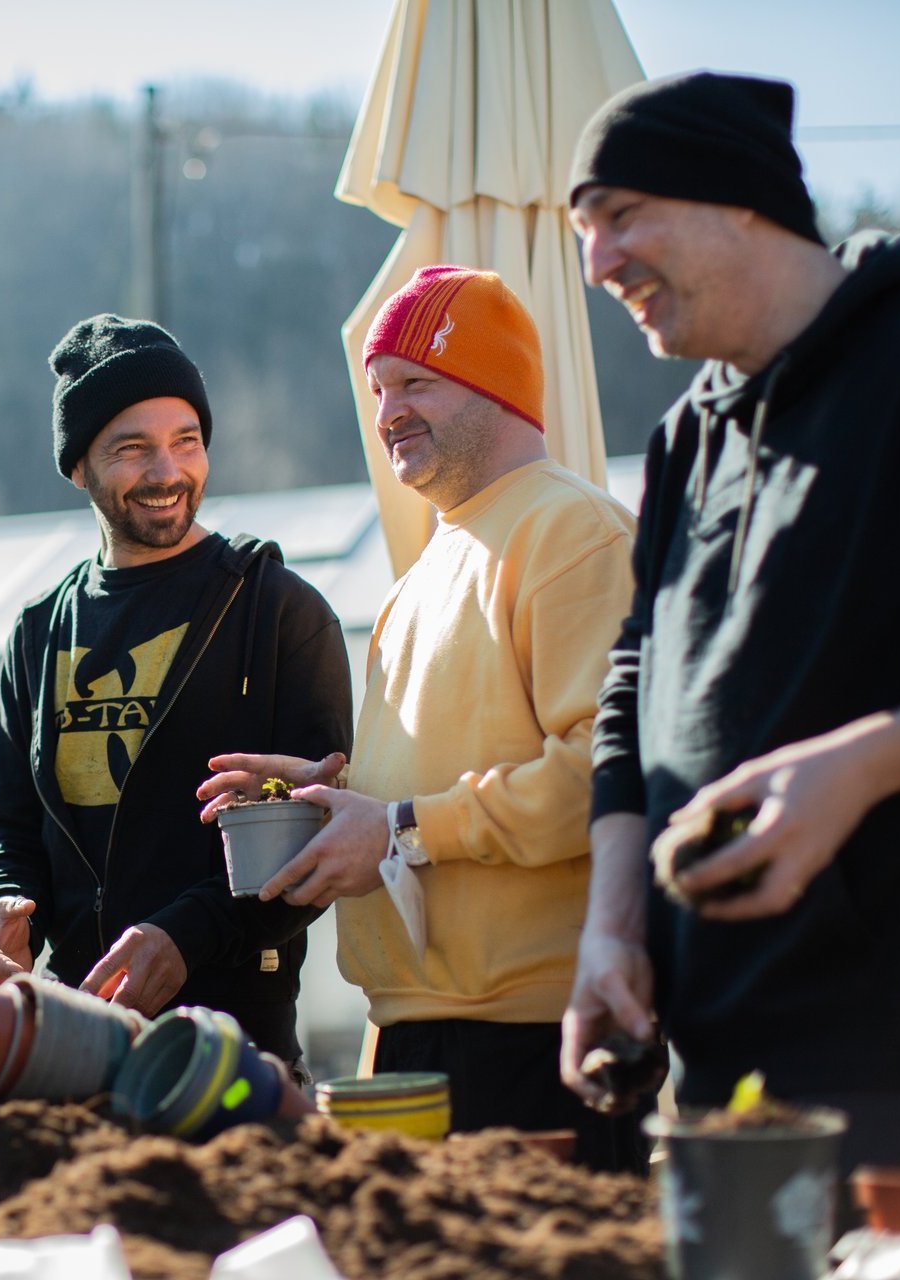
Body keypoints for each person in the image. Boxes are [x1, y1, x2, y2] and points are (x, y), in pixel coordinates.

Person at [558, 69, 900, 1171]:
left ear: (738, 196)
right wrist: (613, 926)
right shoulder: (685, 436)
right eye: (585, 230)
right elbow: (630, 683)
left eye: (620, 215)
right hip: (710, 1064)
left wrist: (863, 765)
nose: (596, 263)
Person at [199, 267, 643, 1169]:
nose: (388, 409)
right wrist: (327, 795)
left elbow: (602, 776)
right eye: (377, 389)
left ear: (494, 384)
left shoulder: (572, 532)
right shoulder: (420, 576)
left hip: (539, 1034)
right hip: (412, 1035)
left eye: (416, 381)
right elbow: (444, 772)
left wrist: (397, 827)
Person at [0, 314, 353, 1068]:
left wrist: (186, 936)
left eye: (186, 440)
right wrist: (0, 908)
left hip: (237, 1044)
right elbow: (6, 822)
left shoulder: (277, 611)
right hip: (73, 1036)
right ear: (79, 467)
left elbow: (320, 828)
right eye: (132, 448)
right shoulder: (40, 629)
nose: (167, 471)